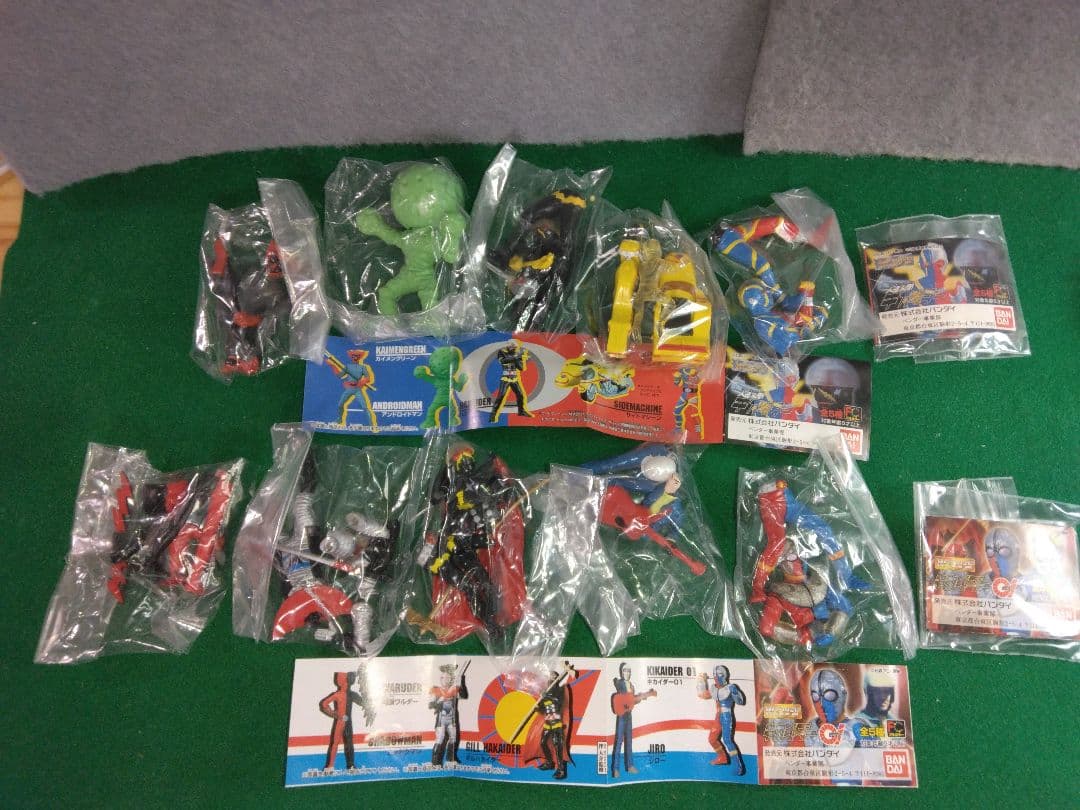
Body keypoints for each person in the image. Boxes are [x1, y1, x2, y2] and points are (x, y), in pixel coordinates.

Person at [696, 665, 746, 775]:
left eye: (718, 675)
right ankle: (722, 757)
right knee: (712, 739)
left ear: (723, 676)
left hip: (726, 715)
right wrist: (701, 681)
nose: (716, 678)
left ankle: (738, 766)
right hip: (718, 716)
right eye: (715, 676)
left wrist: (735, 693)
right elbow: (702, 695)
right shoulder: (714, 688)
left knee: (727, 740)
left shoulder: (730, 687)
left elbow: (740, 701)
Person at [610, 663, 654, 777]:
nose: (627, 673)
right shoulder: (620, 683)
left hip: (629, 715)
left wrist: (642, 697)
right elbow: (626, 697)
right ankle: (615, 769)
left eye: (629, 671)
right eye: (625, 670)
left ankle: (630, 766)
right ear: (621, 672)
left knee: (629, 742)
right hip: (622, 716)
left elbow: (631, 701)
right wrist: (639, 697)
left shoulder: (631, 685)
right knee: (619, 742)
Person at [429, 664, 468, 766]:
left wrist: (462, 681)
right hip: (441, 720)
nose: (446, 680)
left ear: (451, 679)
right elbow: (430, 705)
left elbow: (464, 695)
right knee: (440, 739)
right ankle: (435, 762)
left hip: (452, 720)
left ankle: (450, 759)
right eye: (444, 677)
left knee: (453, 738)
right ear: (441, 678)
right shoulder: (436, 690)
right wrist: (440, 702)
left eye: (448, 678)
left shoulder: (454, 689)